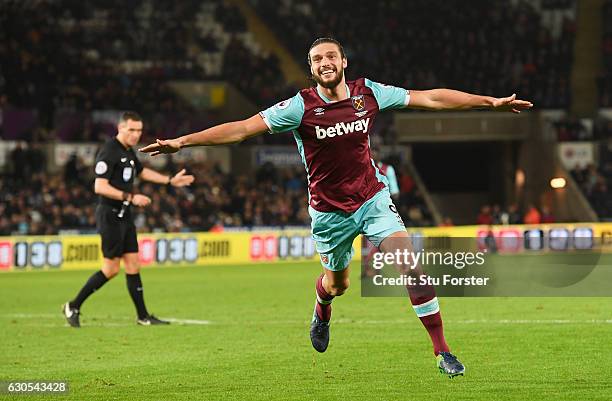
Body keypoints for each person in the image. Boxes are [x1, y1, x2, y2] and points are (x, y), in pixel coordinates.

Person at [140, 38, 532, 377]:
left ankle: (442, 350)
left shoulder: (370, 93)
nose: (325, 63)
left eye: (331, 57)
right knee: (337, 284)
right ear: (311, 70)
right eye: (316, 60)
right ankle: (322, 306)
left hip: (372, 198)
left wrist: (488, 102)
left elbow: (428, 97)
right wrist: (183, 141)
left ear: (343, 62)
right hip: (329, 213)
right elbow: (242, 129)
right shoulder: (299, 107)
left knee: (410, 264)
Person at [62, 111, 194, 327]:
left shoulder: (127, 151)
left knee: (133, 264)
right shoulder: (109, 151)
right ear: (120, 128)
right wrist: (130, 197)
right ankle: (73, 306)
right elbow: (99, 186)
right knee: (111, 269)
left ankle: (143, 317)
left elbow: (142, 173)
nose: (135, 135)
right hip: (110, 215)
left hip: (124, 215)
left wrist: (169, 181)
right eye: (131, 130)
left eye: (139, 131)